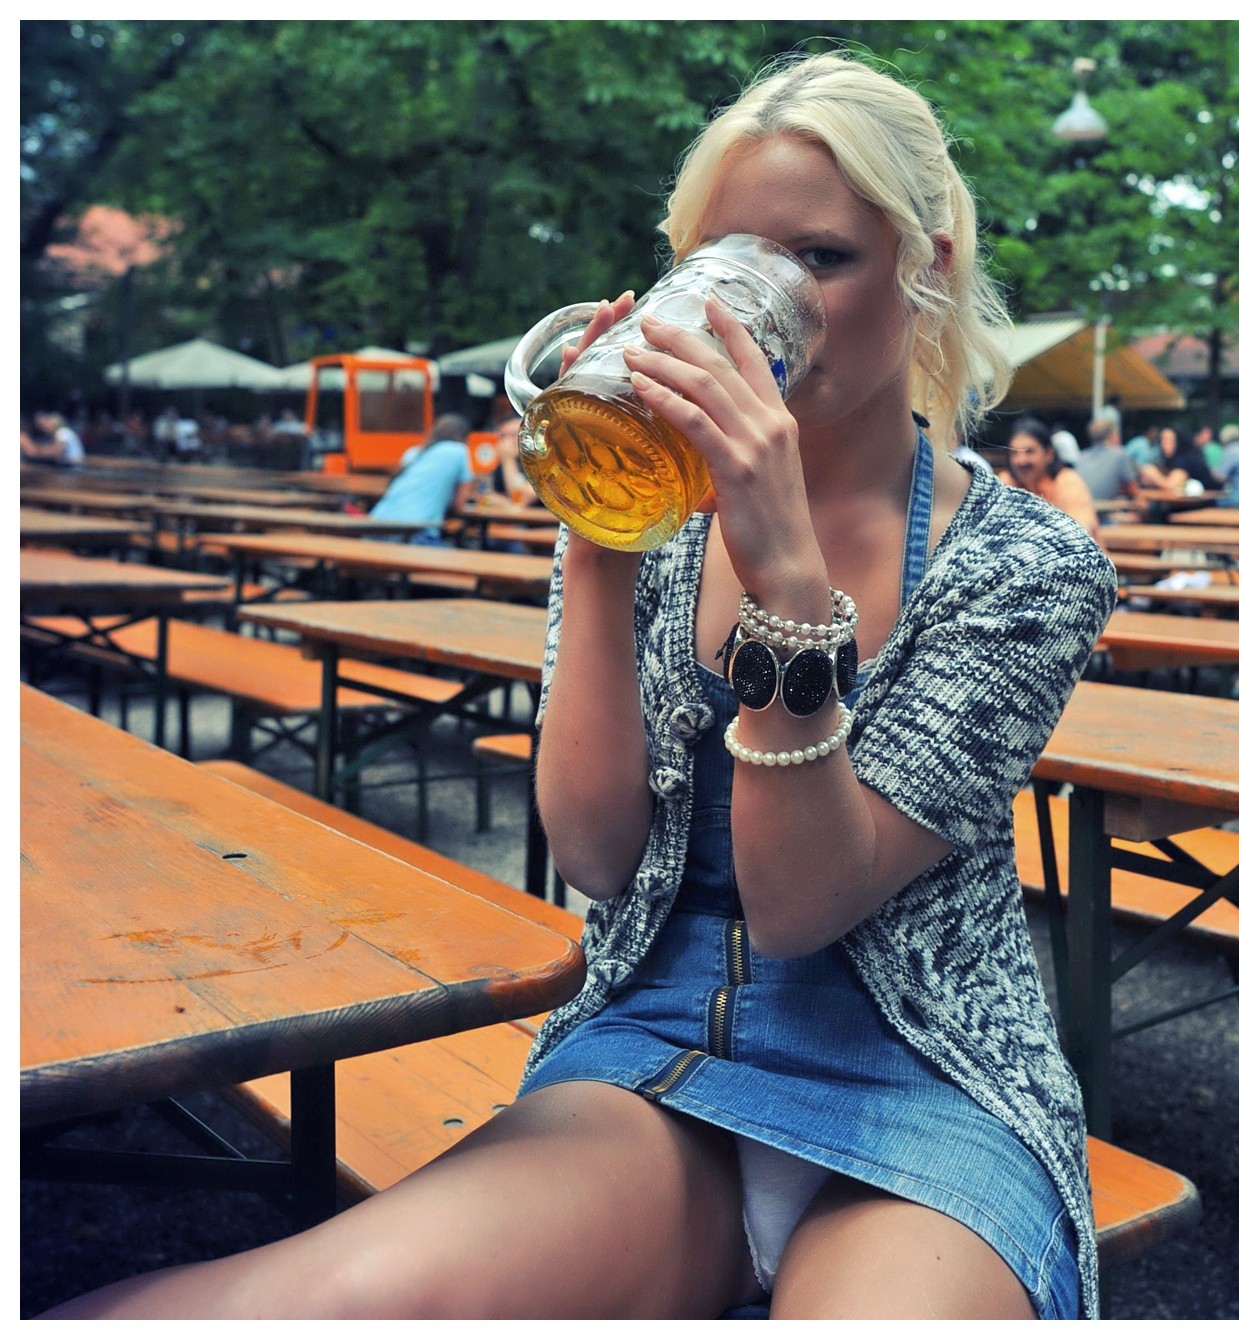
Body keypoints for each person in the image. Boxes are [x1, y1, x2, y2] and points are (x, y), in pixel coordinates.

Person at [46, 51, 1113, 1323]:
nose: (761, 305)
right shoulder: (650, 512)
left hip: (925, 1083)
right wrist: (597, 545)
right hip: (650, 1049)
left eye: (820, 258)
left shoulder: (1027, 565)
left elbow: (799, 906)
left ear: (924, 267)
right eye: (725, 259)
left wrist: (786, 571)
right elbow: (598, 853)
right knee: (290, 1302)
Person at [367, 414, 477, 542]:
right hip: (413, 531)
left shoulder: (413, 452)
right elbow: (459, 504)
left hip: (377, 523)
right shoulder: (459, 450)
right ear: (464, 437)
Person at [998, 414, 1100, 539]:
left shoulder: (1066, 481)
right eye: (1014, 453)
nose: (1021, 461)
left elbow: (1079, 533)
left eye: (1029, 452)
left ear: (1049, 454)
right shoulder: (1007, 483)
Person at [1071, 413, 1139, 509]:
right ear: (1113, 435)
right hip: (1102, 511)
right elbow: (1133, 491)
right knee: (1142, 509)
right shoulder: (1120, 454)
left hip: (1078, 508)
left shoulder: (1081, 456)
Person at [1139, 425, 1217, 496]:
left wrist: (1153, 474)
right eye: (1162, 440)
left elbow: (1170, 486)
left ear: (1179, 441)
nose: (1163, 444)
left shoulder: (1186, 458)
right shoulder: (1170, 459)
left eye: (1169, 440)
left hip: (1204, 503)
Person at [20, 411, 85, 467]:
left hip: (73, 467)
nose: (44, 428)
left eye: (47, 424)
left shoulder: (62, 432)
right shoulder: (61, 432)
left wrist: (38, 451)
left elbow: (56, 451)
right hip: (70, 466)